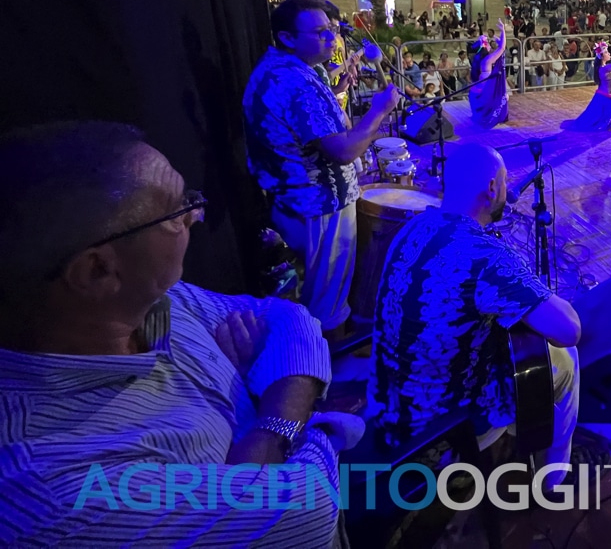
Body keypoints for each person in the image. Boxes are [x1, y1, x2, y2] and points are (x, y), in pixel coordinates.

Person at [0, 122, 358, 546]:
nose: (196, 215)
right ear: (97, 271)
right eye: (175, 212)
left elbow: (290, 318)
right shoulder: (50, 485)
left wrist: (262, 429)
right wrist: (288, 419)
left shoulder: (153, 297)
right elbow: (311, 507)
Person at [369, 143, 581, 490]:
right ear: (492, 188)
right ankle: (553, 478)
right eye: (505, 181)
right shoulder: (486, 257)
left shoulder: (414, 225)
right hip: (439, 429)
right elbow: (569, 329)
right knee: (565, 359)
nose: (508, 189)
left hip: (387, 402)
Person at [244, 0, 402, 337]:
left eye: (332, 28)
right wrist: (379, 111)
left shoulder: (280, 69)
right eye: (320, 32)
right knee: (326, 305)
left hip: (296, 203)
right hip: (320, 207)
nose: (332, 38)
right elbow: (343, 150)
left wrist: (337, 89)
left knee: (313, 295)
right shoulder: (296, 82)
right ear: (287, 37)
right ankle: (328, 365)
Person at [564, 38, 611, 131]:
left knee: (603, 120)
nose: (609, 53)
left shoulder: (605, 67)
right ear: (602, 56)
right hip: (602, 99)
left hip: (607, 97)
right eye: (606, 52)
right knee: (591, 121)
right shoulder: (604, 69)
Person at [469, 20, 509, 128]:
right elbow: (502, 48)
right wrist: (503, 30)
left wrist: (500, 43)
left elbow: (499, 49)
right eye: (488, 45)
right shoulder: (487, 60)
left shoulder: (478, 58)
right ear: (485, 47)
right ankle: (492, 117)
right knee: (504, 96)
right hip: (486, 90)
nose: (490, 46)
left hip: (479, 87)